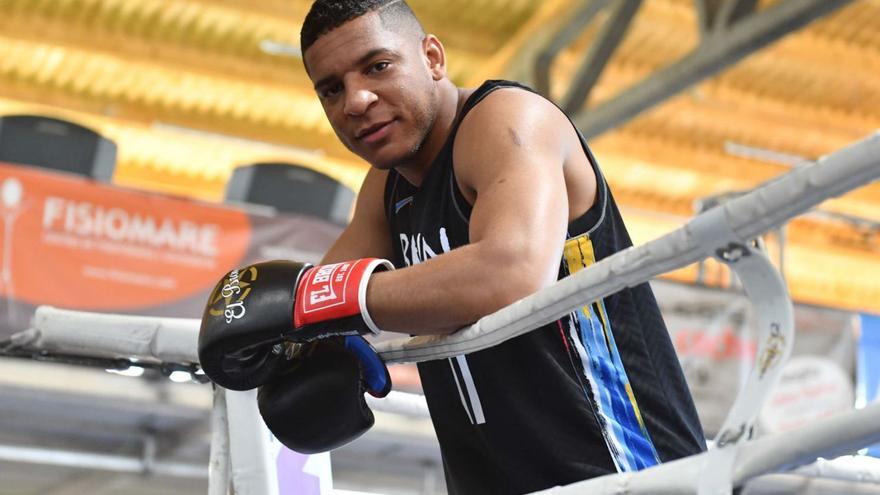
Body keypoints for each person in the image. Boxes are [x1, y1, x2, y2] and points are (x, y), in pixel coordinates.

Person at [202, 0, 707, 493]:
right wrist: (285, 348)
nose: (356, 100)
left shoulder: (508, 120)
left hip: (622, 469)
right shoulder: (385, 190)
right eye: (332, 90)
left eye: (377, 66)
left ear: (433, 58)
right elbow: (317, 306)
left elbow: (511, 271)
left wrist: (315, 304)